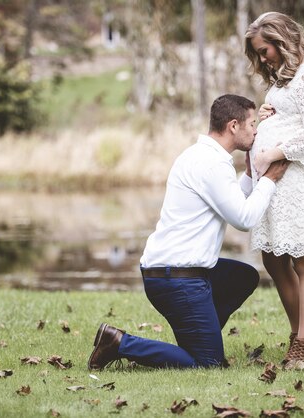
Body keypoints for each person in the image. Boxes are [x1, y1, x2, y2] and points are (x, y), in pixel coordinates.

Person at [88, 94, 289, 370]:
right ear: (233, 126)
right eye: (252, 124)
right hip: (177, 279)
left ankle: (198, 337)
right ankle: (120, 343)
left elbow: (228, 205)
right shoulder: (212, 164)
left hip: (173, 271)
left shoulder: (199, 155)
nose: (256, 131)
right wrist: (268, 180)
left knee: (243, 277)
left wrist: (248, 175)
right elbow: (243, 218)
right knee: (208, 364)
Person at [243, 12, 304, 366]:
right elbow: (290, 116)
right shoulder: (284, 77)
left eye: (264, 50)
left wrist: (270, 153)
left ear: (281, 40)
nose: (263, 58)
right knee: (274, 257)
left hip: (299, 176)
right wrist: (267, 115)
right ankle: (301, 336)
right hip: (279, 180)